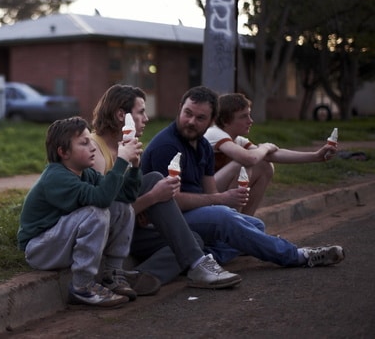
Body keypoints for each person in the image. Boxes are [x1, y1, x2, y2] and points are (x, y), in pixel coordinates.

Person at [141, 85, 345, 268]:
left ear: (212, 120)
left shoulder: (201, 144)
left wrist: (316, 156)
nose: (191, 121)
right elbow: (171, 202)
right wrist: (221, 200)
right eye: (188, 113)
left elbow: (210, 190)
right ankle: (298, 255)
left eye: (200, 117)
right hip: (165, 221)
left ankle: (205, 258)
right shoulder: (167, 146)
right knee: (226, 218)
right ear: (180, 108)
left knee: (255, 225)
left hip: (193, 213)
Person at [90, 84, 241, 289]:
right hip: (100, 236)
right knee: (154, 180)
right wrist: (151, 198)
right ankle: (198, 265)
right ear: (120, 115)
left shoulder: (125, 149)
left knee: (193, 239)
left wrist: (145, 204)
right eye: (141, 112)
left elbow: (124, 204)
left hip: (129, 230)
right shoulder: (95, 151)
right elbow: (101, 217)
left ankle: (142, 277)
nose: (147, 118)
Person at [17, 116, 159, 308]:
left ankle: (112, 274)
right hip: (40, 249)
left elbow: (125, 195)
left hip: (61, 243)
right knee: (96, 212)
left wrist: (134, 165)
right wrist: (121, 160)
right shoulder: (56, 177)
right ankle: (81, 286)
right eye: (84, 143)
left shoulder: (86, 173)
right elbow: (101, 199)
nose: (93, 147)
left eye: (91, 142)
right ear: (63, 152)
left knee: (122, 208)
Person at [205, 92, 338, 215]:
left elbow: (270, 155)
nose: (250, 121)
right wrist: (266, 147)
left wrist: (316, 156)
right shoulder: (214, 133)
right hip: (202, 193)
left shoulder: (236, 139)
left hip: (216, 189)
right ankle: (232, 222)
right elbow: (249, 159)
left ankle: (246, 220)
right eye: (243, 116)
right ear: (225, 121)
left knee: (265, 165)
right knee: (243, 164)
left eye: (249, 115)